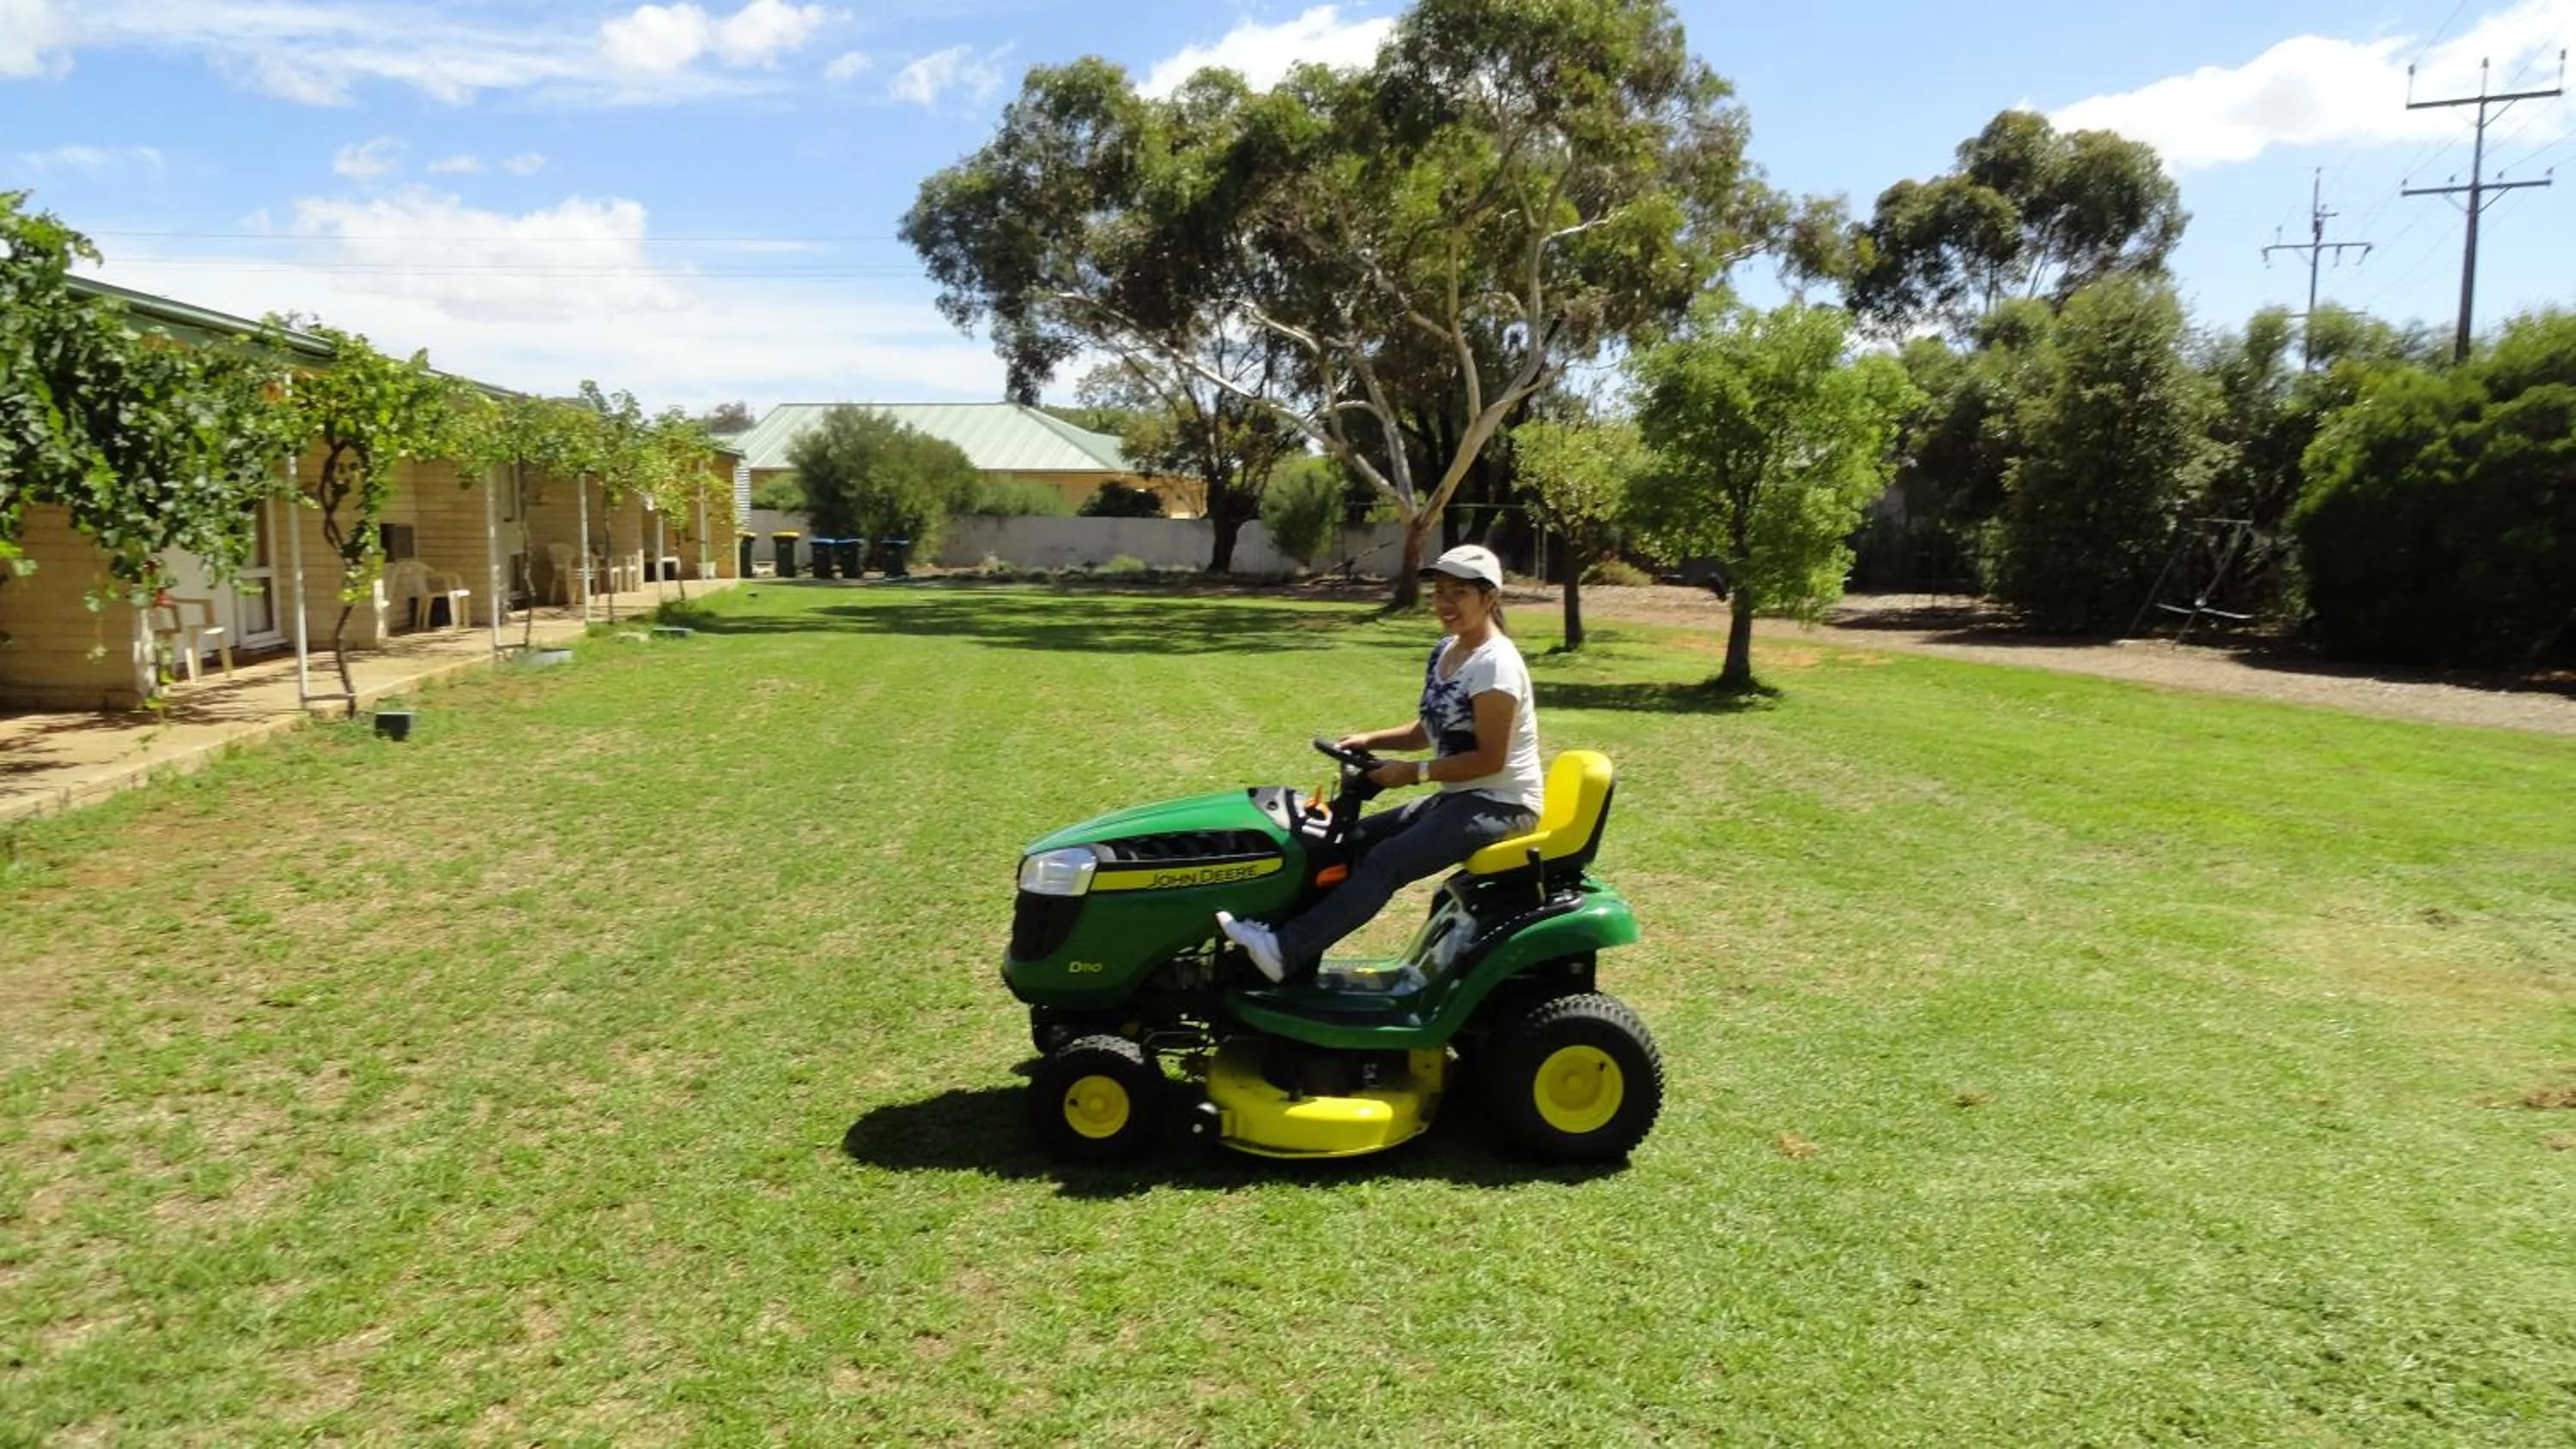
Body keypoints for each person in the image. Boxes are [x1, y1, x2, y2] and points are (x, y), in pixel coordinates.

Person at [1218, 544, 1545, 983]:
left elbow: (1490, 758)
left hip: (1503, 805)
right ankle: (1285, 943)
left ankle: (1284, 950)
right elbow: (1431, 729)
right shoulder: (1448, 651)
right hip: (1462, 797)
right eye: (1440, 591)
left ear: (1490, 598)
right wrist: (1371, 740)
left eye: (1459, 593)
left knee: (1386, 861)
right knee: (1352, 840)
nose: (1445, 603)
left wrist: (1412, 773)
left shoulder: (1496, 666)